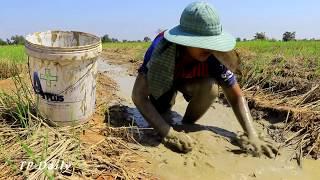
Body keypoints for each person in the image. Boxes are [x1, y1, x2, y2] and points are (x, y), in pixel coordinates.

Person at [132, 1, 277, 157]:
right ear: (185, 40)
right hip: (163, 83)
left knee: (211, 86)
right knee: (162, 111)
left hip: (190, 82)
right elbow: (138, 96)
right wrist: (167, 133)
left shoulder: (214, 54)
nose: (208, 48)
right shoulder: (161, 50)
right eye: (202, 43)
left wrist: (252, 134)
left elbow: (236, 96)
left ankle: (187, 124)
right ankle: (167, 112)